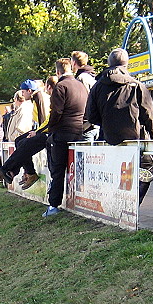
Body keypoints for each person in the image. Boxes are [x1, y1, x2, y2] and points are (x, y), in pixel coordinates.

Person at [86, 47, 153, 204]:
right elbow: (149, 114)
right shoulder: (136, 85)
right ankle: (131, 205)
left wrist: (106, 124)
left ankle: (113, 205)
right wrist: (151, 135)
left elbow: (91, 116)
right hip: (135, 138)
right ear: (126, 64)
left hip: (108, 138)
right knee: (146, 171)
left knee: (111, 174)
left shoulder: (97, 87)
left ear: (109, 64)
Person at [43, 58, 89, 217]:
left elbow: (56, 112)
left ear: (57, 72)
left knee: (57, 170)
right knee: (77, 170)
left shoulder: (60, 87)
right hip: (79, 132)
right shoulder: (81, 86)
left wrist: (51, 129)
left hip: (62, 134)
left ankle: (53, 205)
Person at [0, 76, 58, 190]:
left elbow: (44, 118)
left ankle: (9, 169)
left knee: (25, 143)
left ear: (29, 91)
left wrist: (36, 132)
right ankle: (24, 172)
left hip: (47, 131)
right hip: (43, 128)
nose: (22, 95)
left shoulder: (39, 97)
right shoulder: (35, 98)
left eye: (23, 92)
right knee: (19, 140)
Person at [71, 50, 99, 142]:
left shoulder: (81, 78)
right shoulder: (91, 76)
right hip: (95, 124)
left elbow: (84, 101)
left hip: (87, 126)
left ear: (74, 62)